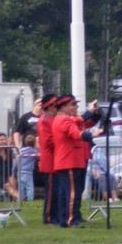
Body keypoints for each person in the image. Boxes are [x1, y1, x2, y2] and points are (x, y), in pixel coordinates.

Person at [52, 96, 102, 227]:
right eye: (72, 104)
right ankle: (71, 220)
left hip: (71, 160)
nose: (75, 107)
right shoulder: (64, 120)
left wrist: (95, 113)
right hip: (69, 160)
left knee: (69, 192)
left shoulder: (67, 120)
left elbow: (86, 123)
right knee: (72, 192)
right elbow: (77, 133)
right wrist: (92, 135)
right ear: (63, 107)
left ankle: (65, 219)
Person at [36, 93, 59, 224]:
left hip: (55, 160)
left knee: (55, 191)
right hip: (50, 161)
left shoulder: (51, 119)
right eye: (55, 105)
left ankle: (54, 215)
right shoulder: (44, 120)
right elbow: (48, 141)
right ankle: (49, 217)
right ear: (49, 107)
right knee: (51, 193)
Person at [18, 133, 39, 202]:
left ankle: (20, 200)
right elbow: (38, 157)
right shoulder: (34, 152)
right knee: (30, 187)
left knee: (21, 187)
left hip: (20, 171)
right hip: (28, 172)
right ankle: (30, 200)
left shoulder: (21, 151)